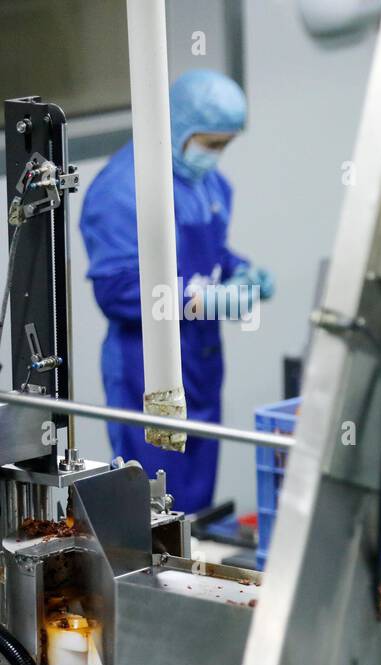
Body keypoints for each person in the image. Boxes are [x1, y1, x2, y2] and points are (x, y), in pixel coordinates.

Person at [81, 70, 274, 512]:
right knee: (153, 503)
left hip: (201, 361)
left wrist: (242, 270)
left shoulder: (205, 181)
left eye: (224, 144)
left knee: (195, 502)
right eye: (211, 143)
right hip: (146, 370)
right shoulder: (121, 189)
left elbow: (210, 252)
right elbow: (117, 290)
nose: (216, 155)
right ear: (179, 127)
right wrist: (201, 300)